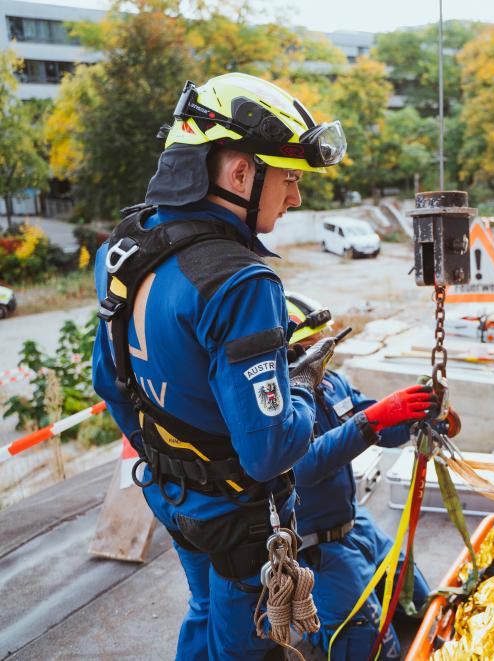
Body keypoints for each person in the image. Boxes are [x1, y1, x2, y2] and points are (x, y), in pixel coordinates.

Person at [92, 72, 347, 660]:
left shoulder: (124, 246)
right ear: (239, 173)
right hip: (237, 521)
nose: (295, 198)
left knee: (203, 607)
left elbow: (109, 380)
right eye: (289, 179)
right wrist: (302, 383)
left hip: (168, 493)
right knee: (241, 648)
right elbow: (270, 452)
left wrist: (170, 462)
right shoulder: (242, 282)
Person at [283, 292, 436, 659]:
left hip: (354, 523)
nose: (324, 351)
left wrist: (416, 420)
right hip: (315, 546)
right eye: (314, 345)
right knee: (374, 649)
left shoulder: (331, 384)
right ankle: (316, 624)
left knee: (419, 601)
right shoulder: (279, 409)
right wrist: (373, 419)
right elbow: (305, 467)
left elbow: (380, 426)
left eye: (326, 342)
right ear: (288, 353)